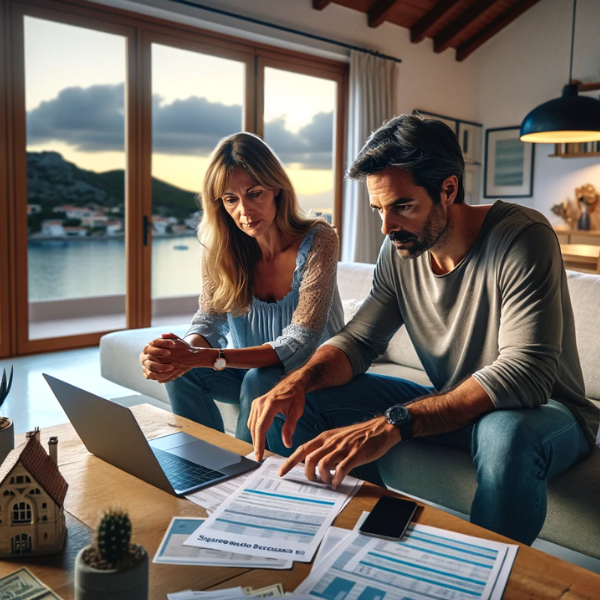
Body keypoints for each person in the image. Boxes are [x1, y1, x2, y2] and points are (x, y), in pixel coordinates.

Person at [247, 115, 600, 545]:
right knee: (273, 382)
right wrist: (299, 379)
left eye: (402, 206)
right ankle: (344, 538)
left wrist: (395, 422)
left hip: (544, 413)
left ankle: (481, 578)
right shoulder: (400, 250)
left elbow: (526, 374)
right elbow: (359, 341)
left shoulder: (523, 236)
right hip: (454, 403)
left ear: (448, 189)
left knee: (505, 433)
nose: (386, 226)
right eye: (379, 209)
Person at [140, 132, 344, 443]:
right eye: (231, 199)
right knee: (184, 372)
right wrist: (179, 352)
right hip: (253, 373)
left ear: (276, 188)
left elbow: (300, 343)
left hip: (314, 378)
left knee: (257, 379)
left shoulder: (319, 240)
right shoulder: (219, 248)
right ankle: (199, 463)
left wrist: (202, 356)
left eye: (255, 193)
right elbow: (209, 321)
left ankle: (242, 474)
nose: (244, 211)